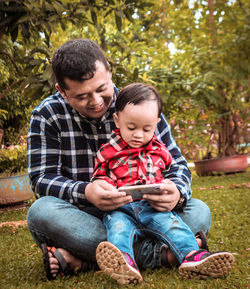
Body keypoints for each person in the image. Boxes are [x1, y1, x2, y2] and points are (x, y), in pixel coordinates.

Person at [27, 38, 212, 281]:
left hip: (151, 211)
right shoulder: (47, 115)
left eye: (101, 88)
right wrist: (87, 191)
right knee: (41, 212)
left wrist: (176, 191)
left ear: (109, 72)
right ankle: (168, 254)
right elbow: (41, 178)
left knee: (199, 211)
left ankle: (85, 260)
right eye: (82, 96)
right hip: (87, 218)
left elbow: (176, 163)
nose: (96, 101)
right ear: (62, 91)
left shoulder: (140, 104)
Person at [91, 83, 234, 284]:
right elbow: (99, 176)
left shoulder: (160, 150)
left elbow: (174, 170)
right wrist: (103, 187)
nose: (138, 134)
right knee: (118, 229)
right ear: (117, 120)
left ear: (157, 123)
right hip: (121, 208)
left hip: (153, 207)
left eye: (147, 128)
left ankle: (193, 256)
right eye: (131, 127)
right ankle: (123, 263)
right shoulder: (108, 151)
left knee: (173, 225)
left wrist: (171, 187)